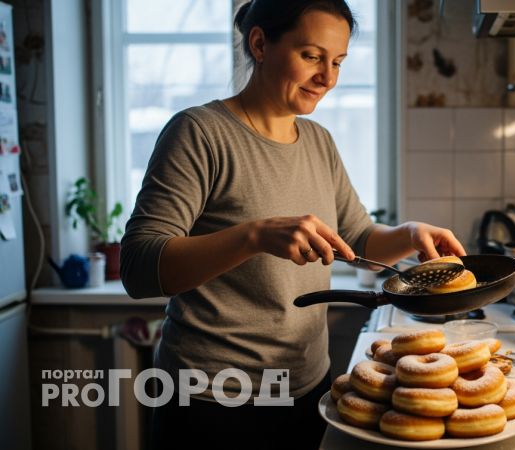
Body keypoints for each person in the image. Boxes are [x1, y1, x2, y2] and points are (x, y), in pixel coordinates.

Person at [119, 1, 466, 449]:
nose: (328, 77)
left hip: (305, 386)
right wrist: (255, 235)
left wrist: (409, 233)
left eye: (337, 61)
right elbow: (138, 267)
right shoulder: (199, 132)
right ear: (260, 43)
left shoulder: (319, 142)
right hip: (212, 398)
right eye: (312, 56)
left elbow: (358, 240)